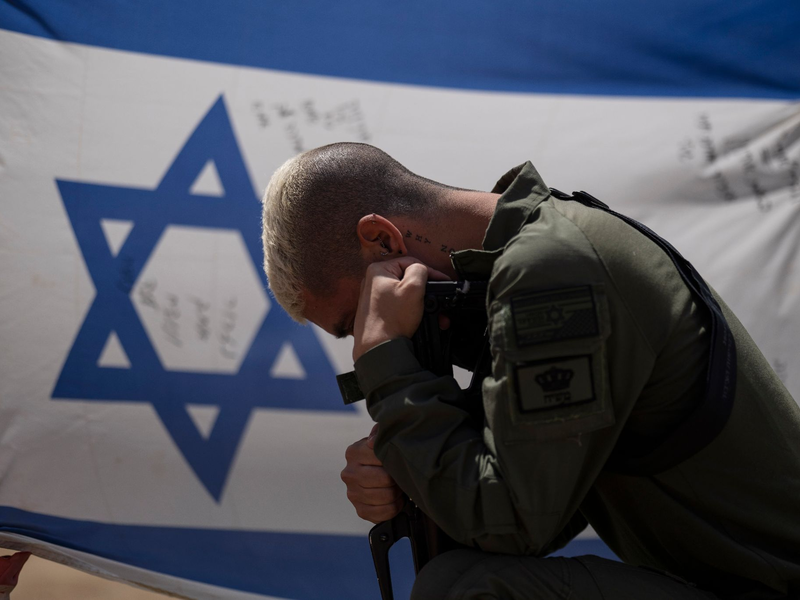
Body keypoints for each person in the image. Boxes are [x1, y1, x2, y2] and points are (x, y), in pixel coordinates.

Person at [260, 142, 800, 599]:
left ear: (383, 241)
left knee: (468, 589)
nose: (367, 332)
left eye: (355, 318)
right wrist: (404, 473)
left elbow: (512, 524)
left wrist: (389, 369)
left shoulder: (551, 269)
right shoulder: (525, 260)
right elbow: (543, 501)